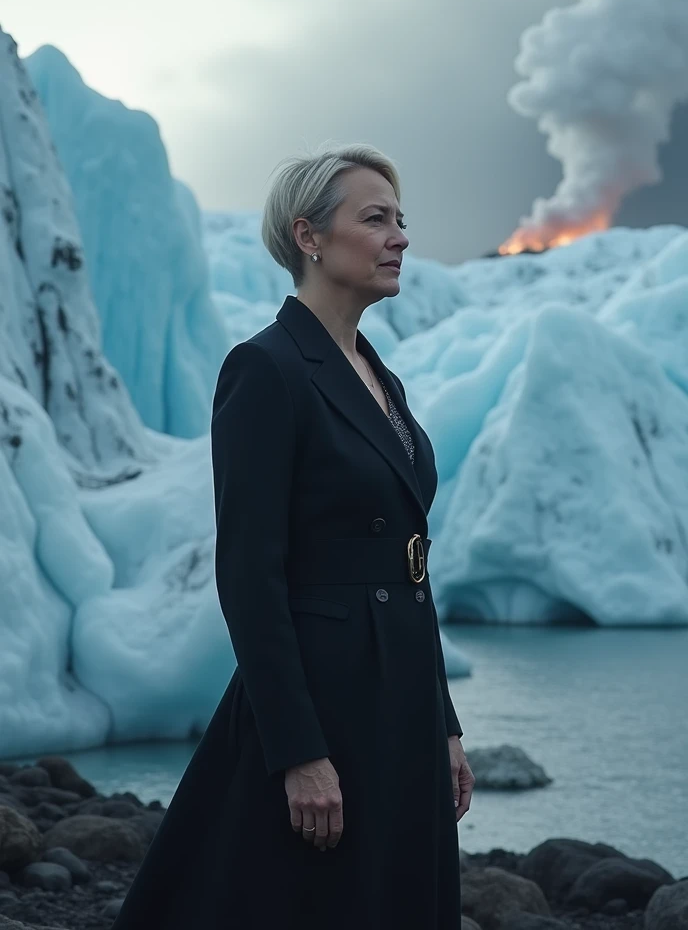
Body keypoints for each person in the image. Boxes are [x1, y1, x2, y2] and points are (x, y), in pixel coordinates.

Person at [110, 143, 474, 930]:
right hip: (326, 699)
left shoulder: (382, 376)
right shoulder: (266, 368)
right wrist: (298, 752)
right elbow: (250, 574)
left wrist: (441, 722)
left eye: (401, 219)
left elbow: (410, 568)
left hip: (398, 697)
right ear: (309, 236)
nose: (400, 236)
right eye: (375, 219)